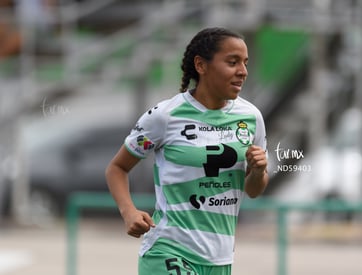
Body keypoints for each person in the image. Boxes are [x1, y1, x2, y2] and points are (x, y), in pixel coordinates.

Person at [106, 27, 269, 275]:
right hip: (168, 250)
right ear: (201, 66)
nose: (243, 72)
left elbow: (254, 190)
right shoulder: (165, 116)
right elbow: (117, 168)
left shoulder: (251, 117)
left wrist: (258, 171)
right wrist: (128, 211)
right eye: (232, 62)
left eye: (245, 63)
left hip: (219, 259)